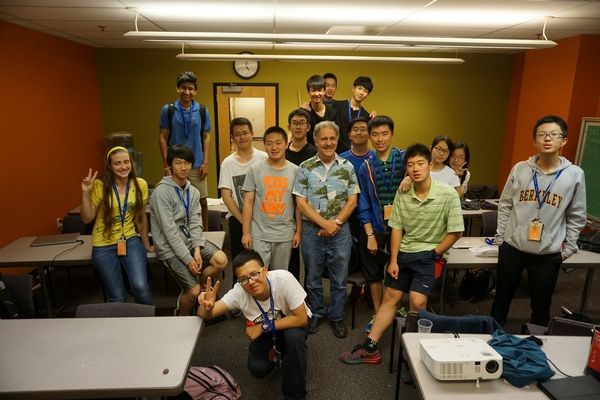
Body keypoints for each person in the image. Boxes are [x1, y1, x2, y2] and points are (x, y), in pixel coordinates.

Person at [339, 143, 463, 365]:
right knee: (391, 297)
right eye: (411, 165)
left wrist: (434, 253)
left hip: (430, 254)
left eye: (420, 163)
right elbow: (396, 228)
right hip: (405, 252)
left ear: (430, 165)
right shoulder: (403, 193)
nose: (415, 168)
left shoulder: (447, 194)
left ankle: (416, 354)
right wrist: (394, 260)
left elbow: (455, 232)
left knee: (417, 300)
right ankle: (370, 348)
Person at [490, 115, 586, 327]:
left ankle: (537, 343)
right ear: (534, 141)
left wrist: (568, 248)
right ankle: (491, 338)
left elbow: (577, 215)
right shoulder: (520, 169)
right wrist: (501, 239)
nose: (547, 138)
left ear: (564, 140)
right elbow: (505, 204)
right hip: (513, 248)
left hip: (547, 254)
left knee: (541, 307)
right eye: (542, 134)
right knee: (500, 301)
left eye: (553, 134)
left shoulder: (574, 174)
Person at [197, 250, 310, 400]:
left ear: (265, 270)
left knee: (294, 338)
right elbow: (206, 314)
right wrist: (205, 306)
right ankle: (283, 352)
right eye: (243, 279)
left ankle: (295, 395)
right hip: (270, 333)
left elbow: (301, 319)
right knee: (258, 368)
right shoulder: (239, 292)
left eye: (254, 274)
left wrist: (263, 326)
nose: (250, 282)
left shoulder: (284, 279)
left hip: (292, 325)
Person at [293, 121, 360, 339]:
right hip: (312, 232)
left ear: (337, 140)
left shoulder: (347, 167)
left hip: (340, 232)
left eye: (332, 138)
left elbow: (352, 200)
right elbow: (301, 203)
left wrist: (335, 224)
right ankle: (317, 312)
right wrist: (325, 224)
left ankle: (337, 316)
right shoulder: (305, 167)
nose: (328, 143)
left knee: (339, 279)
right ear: (316, 141)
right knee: (313, 278)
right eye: (324, 139)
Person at [150, 145, 228, 316]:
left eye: (187, 163)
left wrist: (197, 249)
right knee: (192, 292)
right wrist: (188, 260)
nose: (184, 167)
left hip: (189, 240)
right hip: (168, 246)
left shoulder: (192, 191)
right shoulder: (161, 193)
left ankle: (200, 284)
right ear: (170, 165)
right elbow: (169, 232)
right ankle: (181, 316)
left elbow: (195, 222)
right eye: (178, 163)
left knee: (221, 260)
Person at [80, 146, 153, 305]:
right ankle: (122, 321)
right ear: (110, 166)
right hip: (103, 244)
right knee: (117, 296)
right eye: (117, 163)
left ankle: (149, 319)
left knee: (141, 287)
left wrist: (147, 245)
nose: (123, 167)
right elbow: (87, 218)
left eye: (126, 162)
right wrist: (85, 193)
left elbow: (141, 218)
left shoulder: (140, 184)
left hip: (130, 239)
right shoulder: (100, 186)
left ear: (131, 163)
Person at [355, 116, 406, 333]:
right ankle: (379, 312)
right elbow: (363, 202)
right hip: (375, 227)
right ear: (370, 137)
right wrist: (369, 234)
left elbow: (424, 171)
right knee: (373, 273)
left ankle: (394, 308)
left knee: (397, 269)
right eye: (375, 135)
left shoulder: (404, 159)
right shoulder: (366, 166)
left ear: (392, 135)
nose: (380, 139)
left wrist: (410, 178)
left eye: (384, 134)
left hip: (401, 227)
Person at [242, 126, 302, 270]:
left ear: (286, 143)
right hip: (259, 233)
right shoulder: (254, 169)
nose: (274, 147)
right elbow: (248, 202)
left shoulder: (296, 171)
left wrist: (298, 232)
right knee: (257, 274)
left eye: (278, 143)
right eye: (269, 143)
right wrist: (246, 233)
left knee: (279, 276)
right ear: (264, 145)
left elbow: (299, 205)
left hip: (285, 233)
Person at [159, 71, 212, 231]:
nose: (187, 92)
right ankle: (178, 232)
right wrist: (166, 165)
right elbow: (162, 137)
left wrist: (205, 162)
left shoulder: (202, 110)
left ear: (195, 91)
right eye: (183, 88)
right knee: (175, 201)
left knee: (202, 201)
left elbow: (206, 136)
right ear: (178, 88)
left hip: (196, 164)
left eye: (190, 88)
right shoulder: (168, 110)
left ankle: (204, 232)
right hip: (175, 165)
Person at [219, 118, 268, 274]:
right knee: (240, 263)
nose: (242, 137)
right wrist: (244, 221)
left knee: (262, 262)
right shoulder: (228, 163)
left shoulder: (264, 157)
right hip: (238, 218)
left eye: (245, 133)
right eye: (237, 134)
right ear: (232, 138)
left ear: (252, 133)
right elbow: (226, 196)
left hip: (263, 217)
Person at [285, 108, 317, 282]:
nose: (298, 127)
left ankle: (307, 295)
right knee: (291, 257)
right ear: (289, 126)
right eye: (294, 123)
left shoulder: (314, 153)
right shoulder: (282, 152)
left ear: (308, 127)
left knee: (311, 259)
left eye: (302, 123)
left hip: (308, 211)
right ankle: (291, 292)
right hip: (286, 210)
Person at [332, 76, 374, 153]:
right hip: (335, 152)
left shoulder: (365, 115)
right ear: (353, 88)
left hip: (355, 153)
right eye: (359, 88)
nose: (361, 93)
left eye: (365, 91)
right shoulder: (337, 106)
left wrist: (374, 117)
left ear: (367, 94)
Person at [304, 75, 340, 146]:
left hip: (329, 149)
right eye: (313, 90)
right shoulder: (304, 113)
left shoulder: (333, 113)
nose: (316, 94)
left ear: (324, 91)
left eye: (319, 90)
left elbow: (336, 136)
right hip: (310, 151)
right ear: (309, 92)